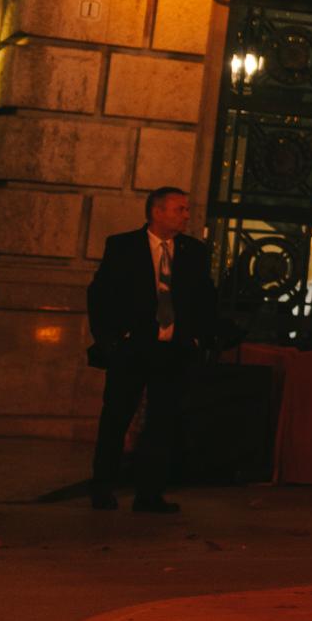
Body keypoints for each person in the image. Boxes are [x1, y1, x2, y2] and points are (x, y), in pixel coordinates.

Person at [86, 187, 222, 513]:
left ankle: (150, 493)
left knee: (162, 422)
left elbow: (204, 298)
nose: (187, 215)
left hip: (173, 349)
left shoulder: (193, 251)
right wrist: (113, 340)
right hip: (133, 348)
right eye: (180, 209)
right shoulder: (122, 247)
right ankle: (103, 487)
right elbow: (101, 295)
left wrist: (196, 339)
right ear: (157, 212)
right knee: (117, 417)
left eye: (187, 209)